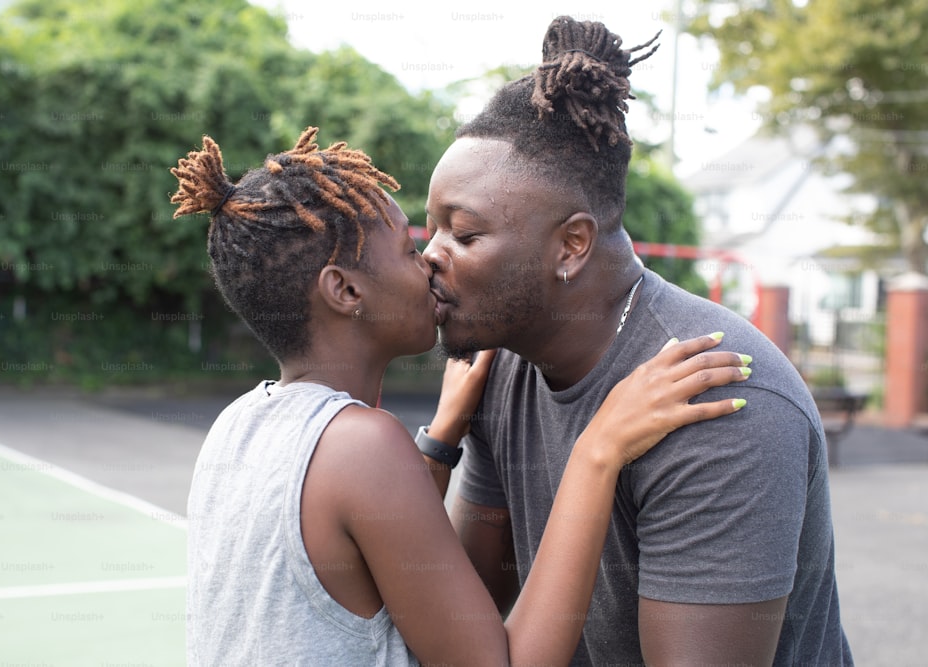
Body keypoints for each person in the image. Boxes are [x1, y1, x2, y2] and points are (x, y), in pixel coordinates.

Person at [170, 127, 752, 666]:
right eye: (405, 249)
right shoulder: (362, 444)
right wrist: (599, 447)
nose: (428, 261)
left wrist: (442, 439)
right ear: (346, 290)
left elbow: (375, 558)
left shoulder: (238, 425)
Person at [421, 15, 852, 666]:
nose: (430, 255)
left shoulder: (718, 392)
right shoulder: (503, 368)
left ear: (572, 245)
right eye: (431, 229)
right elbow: (464, 628)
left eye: (463, 234)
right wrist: (439, 439)